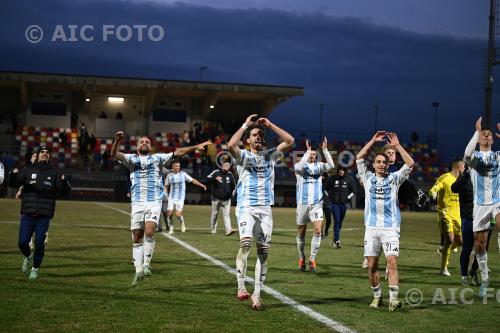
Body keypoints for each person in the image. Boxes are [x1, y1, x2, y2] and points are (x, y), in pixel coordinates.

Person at [111, 131, 210, 287]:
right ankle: (138, 271)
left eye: (147, 142)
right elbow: (114, 154)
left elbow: (178, 152)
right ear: (137, 146)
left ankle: (146, 264)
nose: (144, 143)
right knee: (137, 237)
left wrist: (197, 146)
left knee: (149, 231)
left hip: (153, 201)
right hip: (137, 202)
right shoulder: (131, 159)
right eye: (142, 141)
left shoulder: (157, 159)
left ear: (151, 147)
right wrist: (117, 141)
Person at [228, 114, 294, 310]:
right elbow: (231, 145)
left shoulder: (270, 155)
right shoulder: (244, 156)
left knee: (263, 253)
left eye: (260, 135)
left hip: (265, 209)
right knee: (246, 244)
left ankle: (257, 294)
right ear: (248, 140)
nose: (258, 137)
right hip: (246, 207)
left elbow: (290, 141)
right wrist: (245, 125)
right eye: (254, 135)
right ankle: (241, 287)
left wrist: (271, 124)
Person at [356, 131, 414, 312]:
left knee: (392, 262)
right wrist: (373, 140)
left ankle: (394, 299)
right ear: (373, 165)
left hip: (391, 228)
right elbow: (359, 157)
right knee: (372, 266)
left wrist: (397, 146)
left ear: (389, 164)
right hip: (372, 228)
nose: (382, 164)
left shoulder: (395, 179)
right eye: (378, 162)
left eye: (385, 162)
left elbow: (410, 163)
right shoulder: (367, 178)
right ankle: (377, 296)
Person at [8, 146, 71, 280]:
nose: (44, 154)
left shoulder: (55, 172)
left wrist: (64, 182)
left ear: (49, 156)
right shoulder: (28, 169)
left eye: (47, 153)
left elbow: (64, 191)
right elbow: (14, 183)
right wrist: (13, 175)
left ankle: (35, 268)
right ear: (38, 155)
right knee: (22, 243)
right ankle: (27, 256)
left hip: (44, 215)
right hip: (28, 212)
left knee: (40, 242)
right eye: (42, 152)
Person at [463, 117, 500, 297]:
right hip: (479, 205)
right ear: (479, 139)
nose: (486, 136)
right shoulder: (474, 158)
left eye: (489, 134)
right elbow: (466, 155)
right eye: (483, 134)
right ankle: (485, 277)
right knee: (479, 245)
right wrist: (476, 132)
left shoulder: (498, 156)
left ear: (493, 140)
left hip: (497, 201)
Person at [294, 138, 334, 272]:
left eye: (313, 154)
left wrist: (325, 150)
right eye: (310, 153)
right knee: (301, 232)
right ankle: (301, 257)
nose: (312, 155)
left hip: (317, 204)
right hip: (302, 204)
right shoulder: (300, 168)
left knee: (318, 230)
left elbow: (331, 165)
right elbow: (298, 166)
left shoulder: (319, 166)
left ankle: (312, 259)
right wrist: (307, 151)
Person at [428, 158, 464, 277]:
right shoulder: (445, 177)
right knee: (449, 239)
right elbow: (435, 188)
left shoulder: (461, 180)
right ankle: (443, 268)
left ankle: (443, 251)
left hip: (457, 214)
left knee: (460, 242)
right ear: (459, 167)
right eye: (463, 167)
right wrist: (433, 192)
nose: (465, 169)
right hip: (445, 212)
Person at [451, 166, 478, 285]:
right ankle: (464, 275)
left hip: (484, 216)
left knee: (483, 248)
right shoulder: (464, 177)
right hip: (468, 216)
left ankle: (473, 270)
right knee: (467, 247)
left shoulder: (485, 177)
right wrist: (466, 175)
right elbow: (454, 188)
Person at [165, 160, 207, 234]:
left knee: (178, 214)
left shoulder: (183, 174)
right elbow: (166, 186)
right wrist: (165, 194)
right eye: (176, 166)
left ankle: (182, 223)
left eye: (179, 166)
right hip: (171, 196)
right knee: (169, 213)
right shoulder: (169, 175)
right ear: (173, 167)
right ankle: (171, 229)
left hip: (180, 197)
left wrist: (201, 185)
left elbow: (193, 180)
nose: (178, 167)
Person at [325, 166, 357, 248]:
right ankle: (338, 240)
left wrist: (348, 198)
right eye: (340, 170)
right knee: (337, 220)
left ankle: (335, 238)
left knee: (340, 222)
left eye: (343, 170)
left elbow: (354, 191)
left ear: (345, 171)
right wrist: (329, 196)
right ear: (338, 171)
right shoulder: (332, 178)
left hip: (344, 204)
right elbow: (325, 189)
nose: (341, 171)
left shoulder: (349, 179)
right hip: (334, 204)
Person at [206, 160, 236, 235]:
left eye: (228, 165)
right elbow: (207, 179)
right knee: (214, 214)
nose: (227, 166)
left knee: (226, 215)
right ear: (222, 166)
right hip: (216, 198)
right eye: (225, 165)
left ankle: (228, 230)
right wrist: (215, 178)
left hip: (226, 199)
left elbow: (233, 186)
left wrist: (232, 193)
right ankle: (213, 229)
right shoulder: (216, 172)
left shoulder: (230, 174)